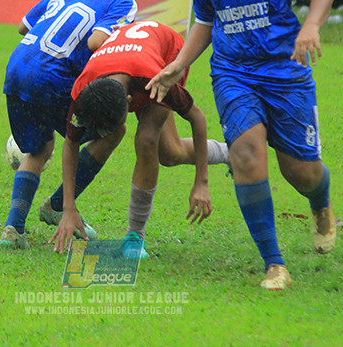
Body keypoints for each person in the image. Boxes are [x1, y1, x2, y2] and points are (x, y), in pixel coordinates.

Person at [147, 0, 337, 291]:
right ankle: (274, 264)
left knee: (300, 173)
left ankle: (321, 204)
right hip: (233, 73)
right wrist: (179, 64)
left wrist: (311, 27)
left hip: (285, 73)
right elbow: (205, 22)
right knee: (247, 154)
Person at [0, 0, 151, 250]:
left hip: (17, 67)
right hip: (54, 76)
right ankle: (57, 207)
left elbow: (23, 25)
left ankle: (13, 230)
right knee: (113, 129)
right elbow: (97, 40)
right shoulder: (123, 1)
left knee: (39, 149)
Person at [49, 20, 230, 258]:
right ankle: (230, 153)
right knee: (170, 153)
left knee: (146, 139)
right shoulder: (83, 89)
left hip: (165, 55)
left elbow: (197, 118)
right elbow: (71, 143)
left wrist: (202, 183)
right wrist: (68, 207)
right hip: (131, 57)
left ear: (129, 100)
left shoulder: (157, 77)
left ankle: (135, 236)